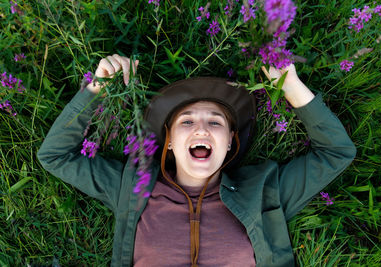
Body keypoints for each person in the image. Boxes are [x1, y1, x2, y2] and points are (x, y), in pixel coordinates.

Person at [37, 54, 356, 267]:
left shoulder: (264, 190)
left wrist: (293, 88)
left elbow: (336, 153)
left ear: (230, 140)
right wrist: (97, 86)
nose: (202, 128)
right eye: (187, 121)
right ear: (170, 141)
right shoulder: (131, 188)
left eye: (215, 122)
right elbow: (55, 156)